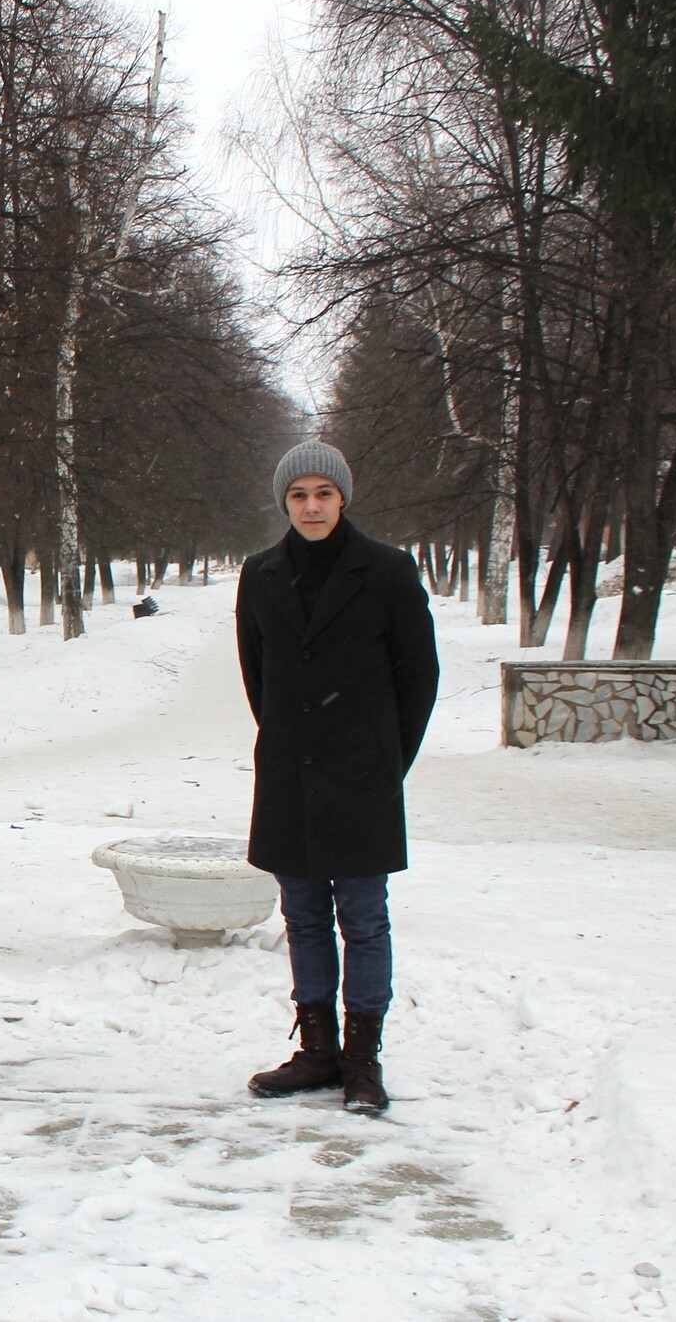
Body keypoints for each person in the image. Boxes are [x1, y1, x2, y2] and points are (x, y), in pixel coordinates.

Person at [235, 440, 439, 1115]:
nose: (311, 506)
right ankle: (318, 1052)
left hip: (362, 775)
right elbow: (258, 676)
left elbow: (418, 677)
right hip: (289, 773)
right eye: (298, 495)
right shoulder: (260, 574)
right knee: (301, 916)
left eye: (323, 493)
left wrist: (385, 760)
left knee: (364, 919)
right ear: (284, 503)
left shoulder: (387, 571)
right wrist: (291, 740)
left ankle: (362, 1060)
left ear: (342, 498)